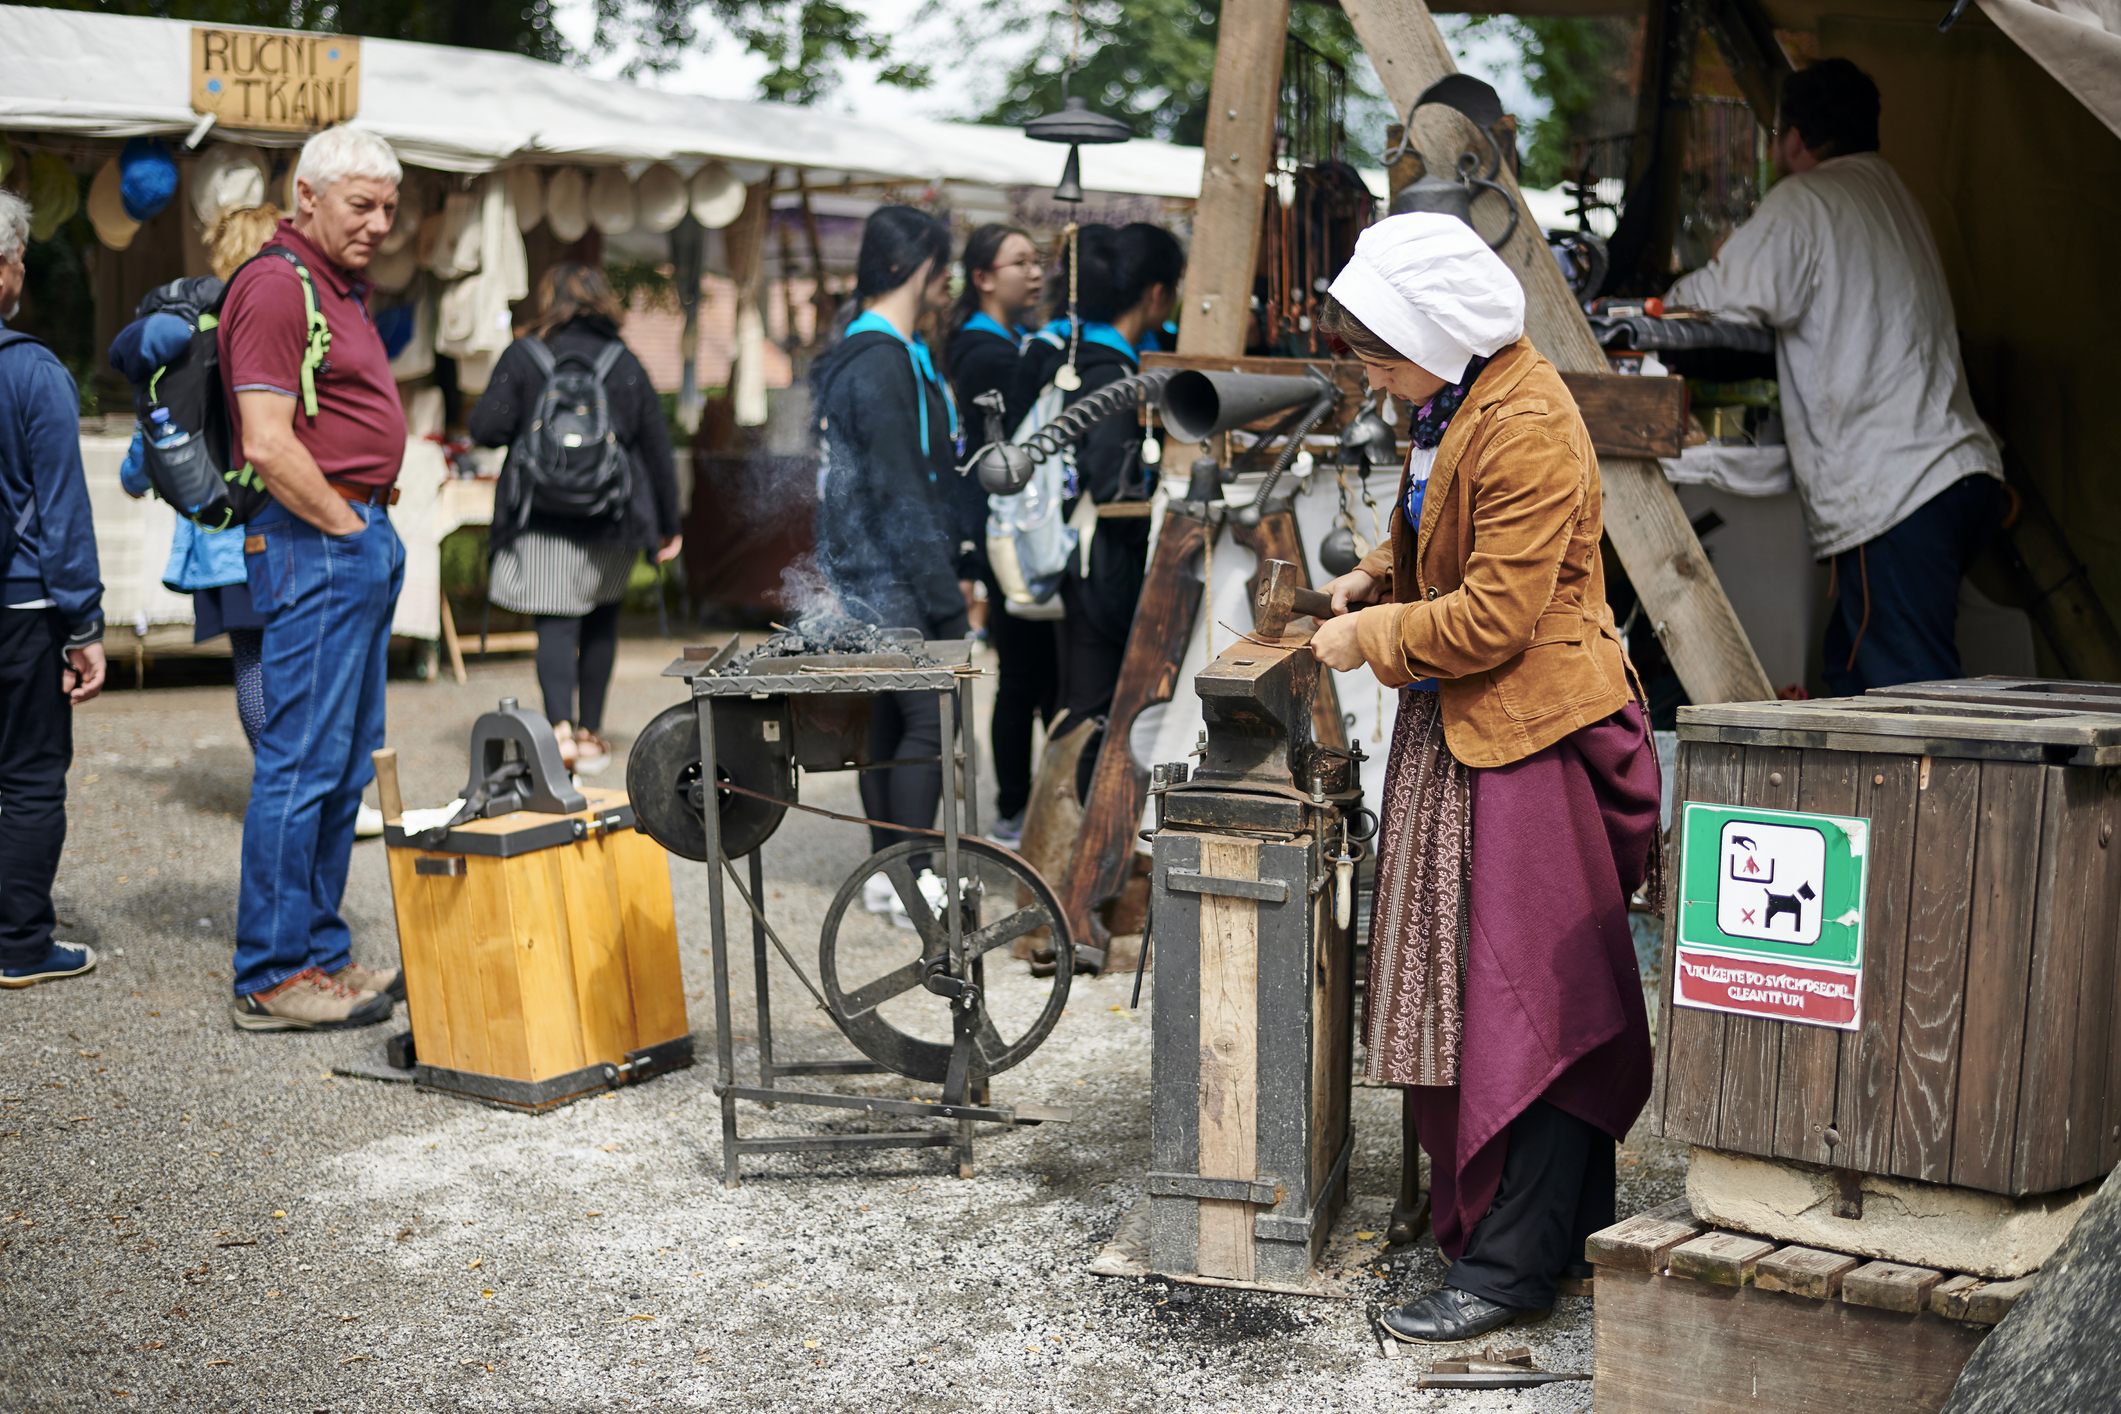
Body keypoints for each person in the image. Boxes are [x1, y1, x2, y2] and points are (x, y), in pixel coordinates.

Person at [1308, 213, 1662, 1343]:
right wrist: (1374, 571)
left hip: (1532, 738)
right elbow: (1442, 528)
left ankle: (1511, 1267)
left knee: (1533, 1002)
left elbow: (1497, 615)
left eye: (1377, 352)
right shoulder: (1455, 396)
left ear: (1430, 329)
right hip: (1470, 732)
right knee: (1493, 994)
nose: (1370, 378)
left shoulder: (1527, 419)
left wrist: (1373, 640)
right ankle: (1544, 1236)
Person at [1667, 58, 2002, 694]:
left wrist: (1667, 293)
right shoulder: (1892, 193)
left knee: (1911, 700)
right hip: (1954, 474)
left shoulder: (1806, 198)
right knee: (1850, 677)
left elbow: (1726, 296)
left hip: (1900, 489)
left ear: (1792, 139)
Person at [221, 125, 407, 1031]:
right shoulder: (273, 284)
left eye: (388, 209)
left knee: (341, 765)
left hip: (348, 532)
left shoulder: (336, 284)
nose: (378, 223)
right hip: (317, 537)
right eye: (360, 204)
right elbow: (264, 440)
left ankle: (319, 956)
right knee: (300, 763)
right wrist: (348, 531)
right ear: (307, 196)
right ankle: (269, 973)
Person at [811, 206, 966, 920]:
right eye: (944, 267)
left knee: (888, 718)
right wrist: (944, 598)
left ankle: (890, 871)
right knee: (928, 718)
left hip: (865, 569)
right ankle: (913, 874)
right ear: (914, 268)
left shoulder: (881, 351)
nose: (949, 283)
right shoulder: (877, 360)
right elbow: (900, 488)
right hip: (886, 572)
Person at [467, 262, 682, 774]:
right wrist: (668, 524)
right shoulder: (623, 360)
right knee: (601, 618)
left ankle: (559, 733)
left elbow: (484, 428)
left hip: (542, 515)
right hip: (613, 516)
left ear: (550, 299)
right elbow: (657, 447)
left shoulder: (525, 355)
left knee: (556, 626)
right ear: (604, 301)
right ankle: (590, 735)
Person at [114, 205, 280, 756]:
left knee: (251, 662)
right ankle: (291, 789)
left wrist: (139, 476)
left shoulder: (188, 329)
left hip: (217, 532)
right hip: (273, 525)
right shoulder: (266, 327)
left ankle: (276, 783)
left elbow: (152, 430)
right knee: (293, 663)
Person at [1010, 223, 1182, 726]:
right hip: (1100, 564)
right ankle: (1077, 804)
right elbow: (1112, 482)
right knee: (1093, 708)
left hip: (1080, 562)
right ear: (1157, 292)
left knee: (1084, 700)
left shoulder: (1077, 356)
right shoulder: (1110, 372)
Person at [0, 187, 107, 989]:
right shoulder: (33, 375)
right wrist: (84, 626)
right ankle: (20, 943)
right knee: (31, 775)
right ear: (6, 271)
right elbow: (63, 515)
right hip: (21, 606)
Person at [946, 223, 1051, 845]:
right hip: (1001, 529)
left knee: (1030, 673)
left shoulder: (1004, 338)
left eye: (1037, 262)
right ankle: (1014, 808)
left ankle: (1027, 801)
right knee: (1020, 675)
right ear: (983, 277)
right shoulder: (981, 348)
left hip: (1013, 525)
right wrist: (1041, 354)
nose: (1034, 273)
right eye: (1019, 263)